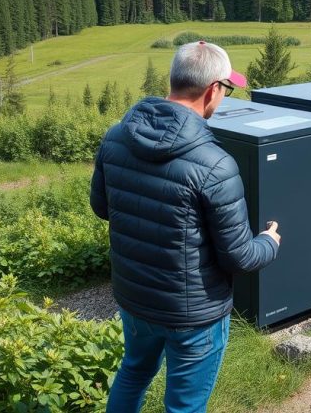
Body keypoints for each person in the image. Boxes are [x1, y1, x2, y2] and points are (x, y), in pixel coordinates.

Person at [90, 41, 281, 413]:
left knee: (133, 373)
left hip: (135, 297)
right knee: (185, 407)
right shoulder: (214, 164)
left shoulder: (116, 137)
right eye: (226, 90)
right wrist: (269, 241)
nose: (223, 99)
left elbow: (102, 207)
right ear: (213, 90)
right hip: (193, 313)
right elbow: (239, 255)